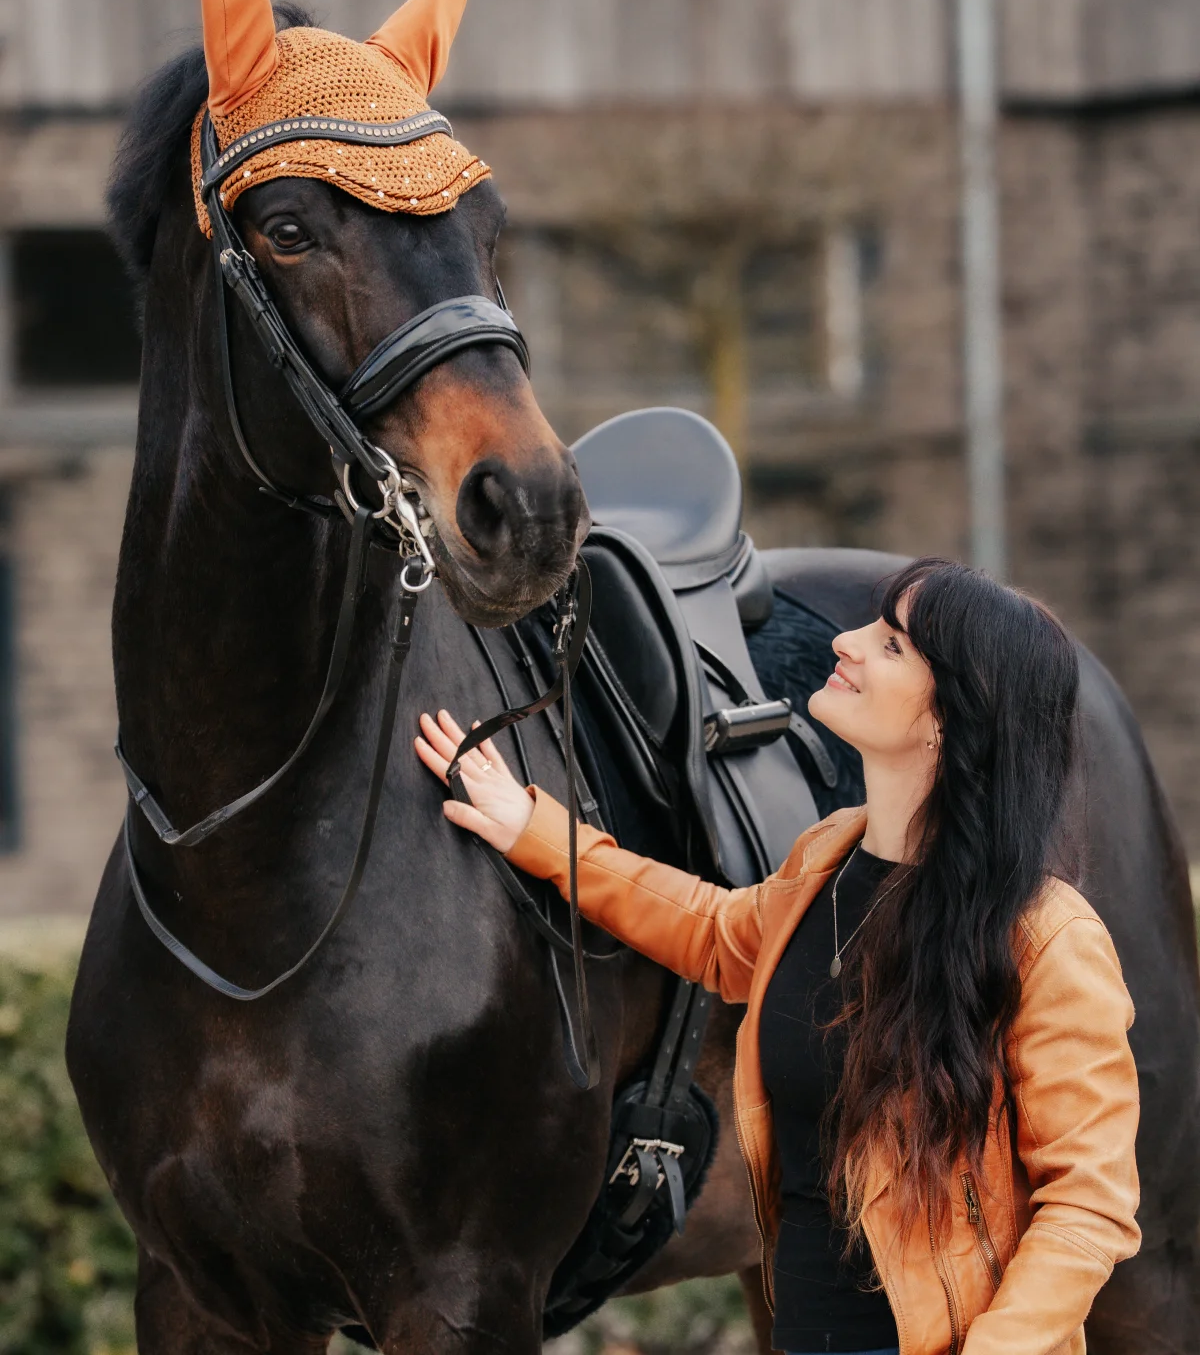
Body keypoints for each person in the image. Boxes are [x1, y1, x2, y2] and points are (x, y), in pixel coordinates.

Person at [415, 557, 1140, 1355]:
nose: (848, 642)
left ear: (948, 719)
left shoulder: (1047, 938)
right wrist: (537, 833)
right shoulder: (827, 859)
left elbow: (1088, 1205)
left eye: (893, 645)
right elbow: (713, 930)